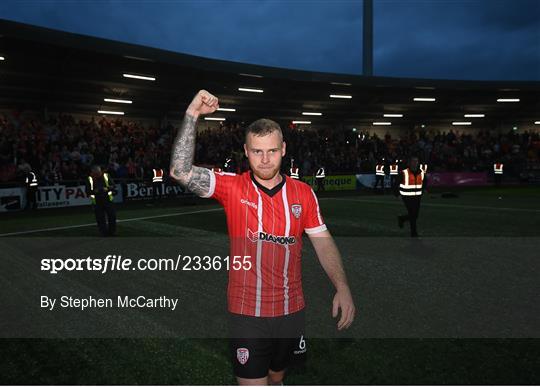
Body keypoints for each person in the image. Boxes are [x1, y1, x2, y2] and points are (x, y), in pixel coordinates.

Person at [169, 90, 355, 386]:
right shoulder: (232, 187)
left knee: (277, 378)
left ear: (283, 149)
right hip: (246, 313)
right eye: (257, 151)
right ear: (245, 151)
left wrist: (342, 286)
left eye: (271, 151)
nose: (265, 160)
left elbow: (322, 240)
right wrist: (192, 115)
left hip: (291, 310)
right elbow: (179, 171)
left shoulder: (303, 194)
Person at [395, 156, 425, 237]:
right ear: (409, 163)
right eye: (413, 161)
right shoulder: (403, 172)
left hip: (417, 197)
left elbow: (424, 182)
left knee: (415, 215)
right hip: (407, 197)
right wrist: (397, 195)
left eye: (416, 161)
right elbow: (395, 184)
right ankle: (414, 233)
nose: (415, 163)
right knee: (412, 214)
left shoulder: (421, 172)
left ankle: (402, 218)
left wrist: (424, 190)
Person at [86, 165, 116, 237]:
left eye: (99, 173)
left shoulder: (106, 176)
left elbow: (113, 186)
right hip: (97, 201)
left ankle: (112, 232)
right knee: (100, 218)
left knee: (112, 216)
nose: (97, 175)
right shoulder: (89, 179)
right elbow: (88, 191)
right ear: (92, 172)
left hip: (108, 200)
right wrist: (95, 191)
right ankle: (103, 233)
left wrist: (106, 188)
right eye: (96, 173)